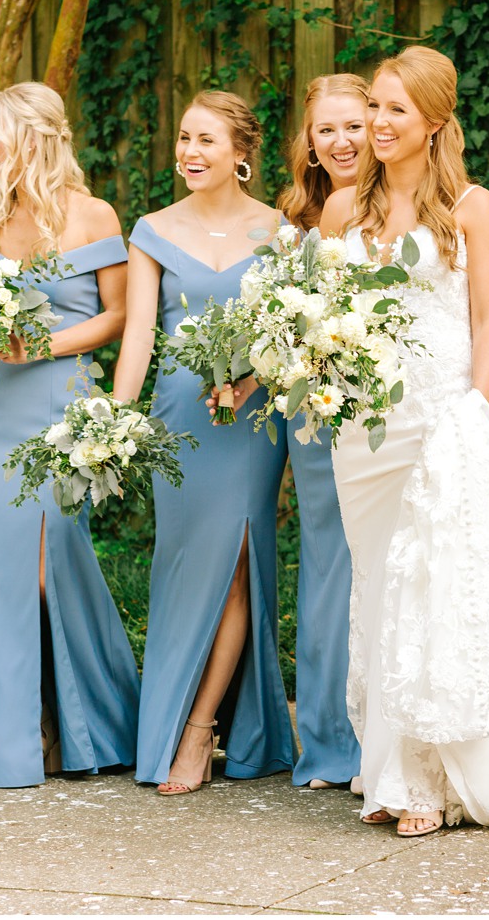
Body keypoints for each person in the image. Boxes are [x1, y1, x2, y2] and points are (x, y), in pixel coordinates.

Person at [321, 48, 489, 833]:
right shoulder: (343, 211)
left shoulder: (473, 208)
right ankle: (388, 765)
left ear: (435, 123)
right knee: (382, 591)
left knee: (436, 587)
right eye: (373, 107)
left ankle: (427, 782)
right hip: (364, 433)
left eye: (394, 111)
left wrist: (473, 416)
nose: (377, 125)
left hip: (441, 419)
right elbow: (324, 321)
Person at [0, 85, 138, 787]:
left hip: (60, 407)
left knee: (48, 563)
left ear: (32, 135)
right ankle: (7, 735)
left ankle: (83, 718)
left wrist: (46, 345)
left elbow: (116, 316)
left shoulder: (93, 216)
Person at [115, 92, 293, 793]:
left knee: (242, 563)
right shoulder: (152, 230)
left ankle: (199, 728)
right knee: (187, 568)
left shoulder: (283, 233)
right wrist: (117, 425)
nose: (189, 151)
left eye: (206, 141)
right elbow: (138, 340)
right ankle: (178, 716)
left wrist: (256, 372)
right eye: (184, 137)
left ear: (241, 154)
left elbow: (290, 336)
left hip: (251, 421)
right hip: (181, 421)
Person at [276, 74, 371, 788]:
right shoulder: (293, 219)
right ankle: (329, 741)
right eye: (326, 129)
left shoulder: (407, 206)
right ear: (308, 139)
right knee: (329, 569)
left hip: (388, 406)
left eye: (353, 125)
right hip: (316, 414)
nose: (340, 141)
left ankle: (387, 732)